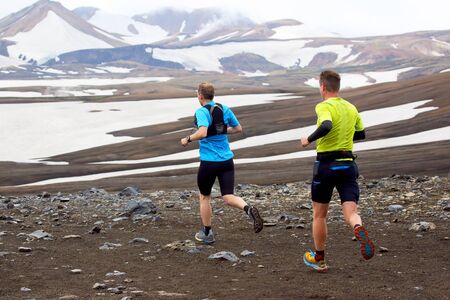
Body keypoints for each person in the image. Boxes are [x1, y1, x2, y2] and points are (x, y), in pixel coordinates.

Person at [300, 70, 374, 272]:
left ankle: (320, 259)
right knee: (351, 212)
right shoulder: (351, 107)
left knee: (319, 215)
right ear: (337, 87)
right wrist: (345, 137)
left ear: (323, 86)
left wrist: (308, 139)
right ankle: (358, 228)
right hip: (348, 165)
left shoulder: (324, 106)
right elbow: (361, 133)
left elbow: (326, 124)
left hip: (326, 165)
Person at [180, 82, 263, 244]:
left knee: (204, 197)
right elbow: (238, 128)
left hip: (209, 162)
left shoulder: (201, 111)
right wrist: (222, 130)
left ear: (200, 95)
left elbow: (202, 132)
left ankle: (207, 233)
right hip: (226, 160)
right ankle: (249, 209)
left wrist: (187, 139)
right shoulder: (224, 108)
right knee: (228, 196)